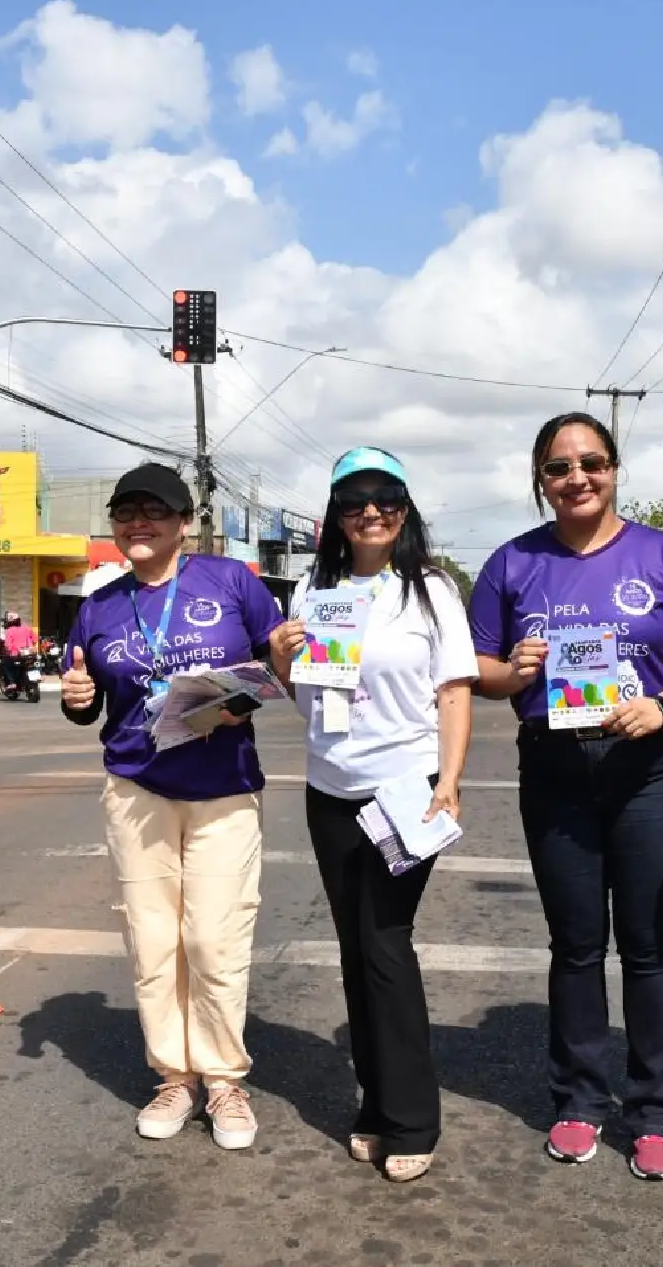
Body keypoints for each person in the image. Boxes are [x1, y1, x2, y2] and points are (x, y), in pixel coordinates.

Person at [468, 412, 663, 1182]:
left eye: (591, 462)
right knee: (576, 946)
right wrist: (515, 668)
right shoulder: (513, 564)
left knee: (650, 948)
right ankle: (580, 1100)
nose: (576, 477)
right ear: (540, 480)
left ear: (615, 469)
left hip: (649, 765)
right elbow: (478, 670)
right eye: (558, 467)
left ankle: (655, 1113)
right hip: (555, 769)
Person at [59, 463, 285, 1151]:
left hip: (222, 789)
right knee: (153, 941)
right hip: (137, 791)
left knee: (213, 939)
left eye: (154, 511)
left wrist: (230, 707)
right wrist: (77, 701)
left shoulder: (232, 584)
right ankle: (173, 1077)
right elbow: (90, 698)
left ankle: (223, 1080)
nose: (137, 523)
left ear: (185, 522)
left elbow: (277, 667)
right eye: (125, 512)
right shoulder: (98, 605)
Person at [269, 447, 477, 1184]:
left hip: (403, 789)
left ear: (405, 510)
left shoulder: (430, 591)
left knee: (387, 944)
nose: (371, 513)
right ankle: (375, 1104)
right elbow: (309, 703)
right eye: (354, 501)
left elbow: (455, 691)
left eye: (386, 499)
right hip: (330, 791)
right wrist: (278, 658)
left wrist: (447, 782)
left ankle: (412, 1118)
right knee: (354, 952)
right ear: (335, 515)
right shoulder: (313, 589)